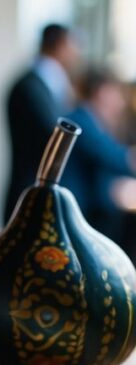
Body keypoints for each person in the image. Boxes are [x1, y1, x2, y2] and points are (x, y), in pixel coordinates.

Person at [4, 23, 82, 221]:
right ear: (61, 45)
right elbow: (49, 136)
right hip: (29, 196)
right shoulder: (30, 87)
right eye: (73, 45)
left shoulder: (48, 85)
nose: (77, 53)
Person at [61, 68, 136, 242]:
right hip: (76, 213)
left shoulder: (89, 119)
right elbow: (114, 157)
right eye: (117, 93)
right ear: (103, 92)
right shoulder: (79, 119)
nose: (121, 102)